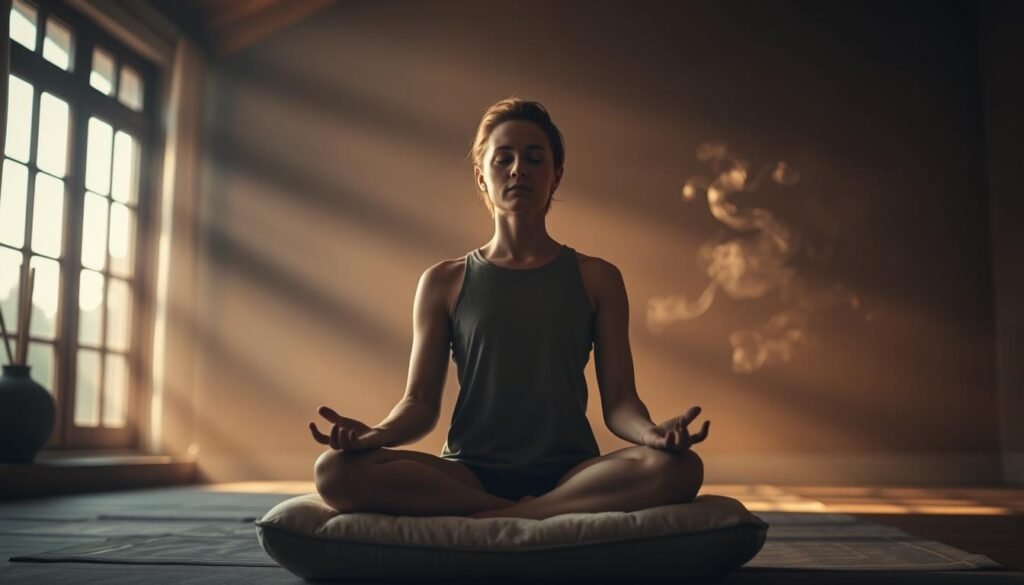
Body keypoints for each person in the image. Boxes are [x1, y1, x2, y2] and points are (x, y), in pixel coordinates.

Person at [309, 98, 709, 520]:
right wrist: (375, 435)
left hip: (571, 473)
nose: (519, 169)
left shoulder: (598, 278)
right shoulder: (443, 281)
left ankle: (503, 516)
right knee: (335, 471)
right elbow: (420, 403)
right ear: (481, 176)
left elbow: (621, 402)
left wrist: (652, 435)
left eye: (535, 159)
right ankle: (521, 512)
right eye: (504, 159)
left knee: (681, 468)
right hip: (469, 473)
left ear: (555, 176)